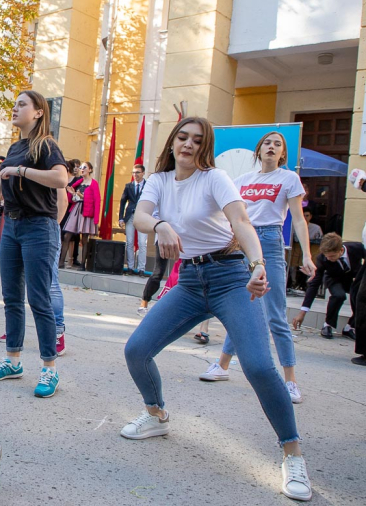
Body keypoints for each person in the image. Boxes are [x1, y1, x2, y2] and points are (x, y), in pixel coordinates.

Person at [121, 117, 311, 502]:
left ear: (204, 146)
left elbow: (241, 221)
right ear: (172, 142)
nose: (188, 144)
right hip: (190, 282)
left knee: (258, 366)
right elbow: (140, 216)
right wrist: (160, 225)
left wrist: (257, 265)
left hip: (230, 277)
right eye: (182, 137)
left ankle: (293, 455)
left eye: (197, 140)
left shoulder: (215, 178)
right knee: (136, 350)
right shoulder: (158, 181)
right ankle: (156, 415)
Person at [200, 131, 316, 404]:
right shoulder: (242, 180)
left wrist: (307, 255)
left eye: (278, 144)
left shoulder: (289, 178)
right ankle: (223, 365)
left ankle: (290, 381)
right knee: (242, 307)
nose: (272, 147)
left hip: (270, 241)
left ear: (283, 153)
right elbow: (227, 214)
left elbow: (298, 219)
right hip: (242, 241)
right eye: (267, 143)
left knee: (275, 313)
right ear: (258, 150)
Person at [0, 90, 68, 399]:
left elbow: (60, 179)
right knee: (12, 297)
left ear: (38, 112)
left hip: (39, 226)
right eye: (14, 104)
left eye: (21, 105)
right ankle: (13, 361)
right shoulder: (16, 146)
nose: (14, 109)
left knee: (39, 299)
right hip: (12, 225)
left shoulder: (47, 145)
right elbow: (9, 179)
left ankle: (49, 368)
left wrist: (20, 170)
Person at [291, 233, 362, 340]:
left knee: (360, 297)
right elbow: (314, 285)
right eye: (326, 256)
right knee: (339, 295)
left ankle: (350, 327)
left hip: (353, 278)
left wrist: (361, 275)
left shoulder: (357, 248)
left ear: (341, 250)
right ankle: (328, 325)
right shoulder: (322, 259)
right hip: (333, 279)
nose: (328, 259)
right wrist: (302, 313)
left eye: (332, 256)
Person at [61, 162, 100, 272]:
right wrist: (73, 194)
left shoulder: (93, 183)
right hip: (77, 209)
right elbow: (73, 199)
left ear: (90, 170)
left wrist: (96, 219)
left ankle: (83, 264)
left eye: (84, 167)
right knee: (67, 235)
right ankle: (61, 262)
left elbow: (96, 200)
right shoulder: (79, 182)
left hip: (87, 211)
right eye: (81, 167)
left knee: (84, 238)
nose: (82, 169)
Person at [119, 163, 148, 275]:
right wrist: (121, 218)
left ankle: (141, 269)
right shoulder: (128, 186)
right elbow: (122, 202)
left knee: (142, 243)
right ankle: (130, 267)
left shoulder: (148, 185)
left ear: (143, 173)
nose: (135, 175)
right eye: (133, 173)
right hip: (130, 216)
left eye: (137, 172)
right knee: (129, 242)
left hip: (143, 217)